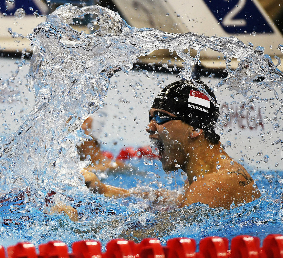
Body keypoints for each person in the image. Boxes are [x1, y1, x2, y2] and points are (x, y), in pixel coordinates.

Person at [82, 79, 260, 209]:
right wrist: (104, 189)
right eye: (150, 117)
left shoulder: (210, 185)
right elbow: (175, 200)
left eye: (160, 117)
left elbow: (158, 236)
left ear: (196, 128)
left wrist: (78, 226)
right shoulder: (205, 176)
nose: (149, 127)